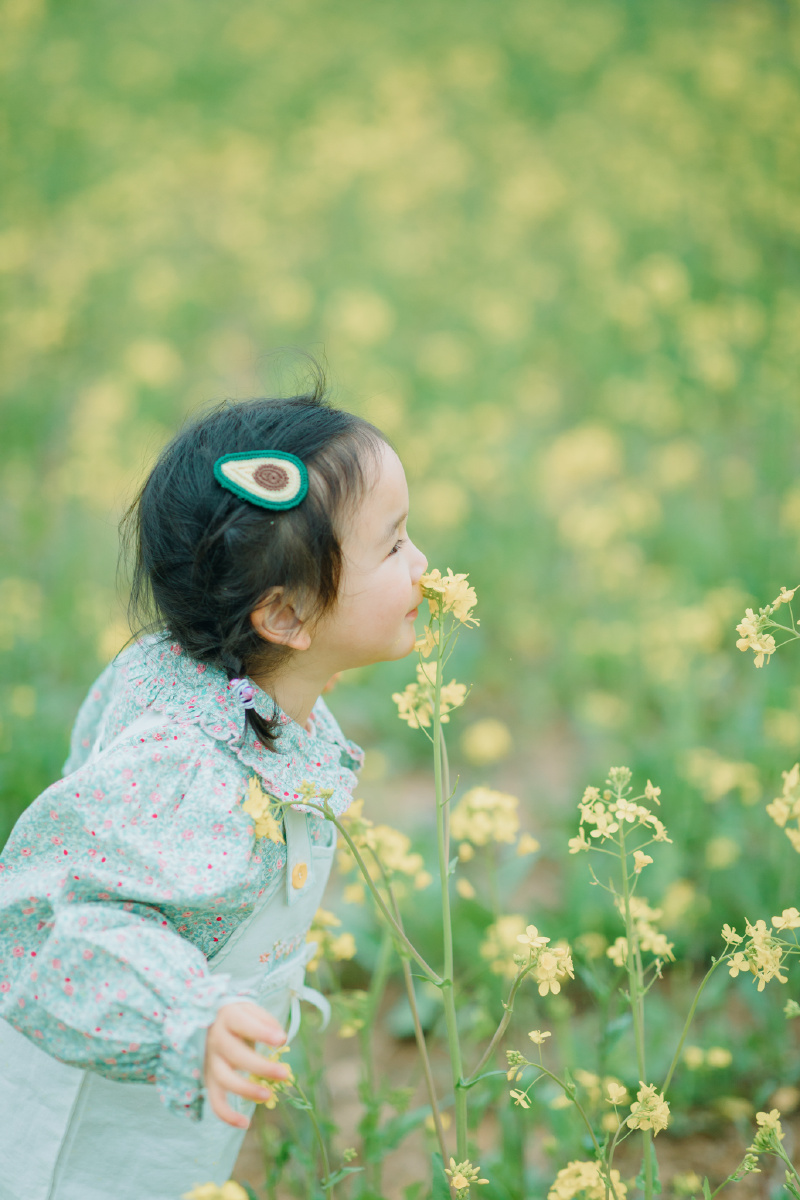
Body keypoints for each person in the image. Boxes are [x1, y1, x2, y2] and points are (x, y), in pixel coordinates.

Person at [0, 374, 428, 1200]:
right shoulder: (185, 765)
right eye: (394, 547)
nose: (423, 565)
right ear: (287, 617)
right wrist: (179, 1014)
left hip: (173, 1103)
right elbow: (41, 912)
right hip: (82, 1123)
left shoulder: (235, 689)